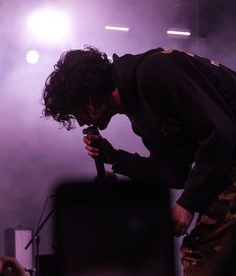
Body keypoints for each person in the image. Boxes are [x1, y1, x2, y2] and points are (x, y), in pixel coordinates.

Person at [42, 46, 236, 276]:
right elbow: (174, 173)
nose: (82, 123)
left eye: (77, 113)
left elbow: (221, 134)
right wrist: (114, 157)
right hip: (228, 165)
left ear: (89, 101)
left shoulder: (155, 71)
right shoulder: (139, 109)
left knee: (202, 251)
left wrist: (188, 204)